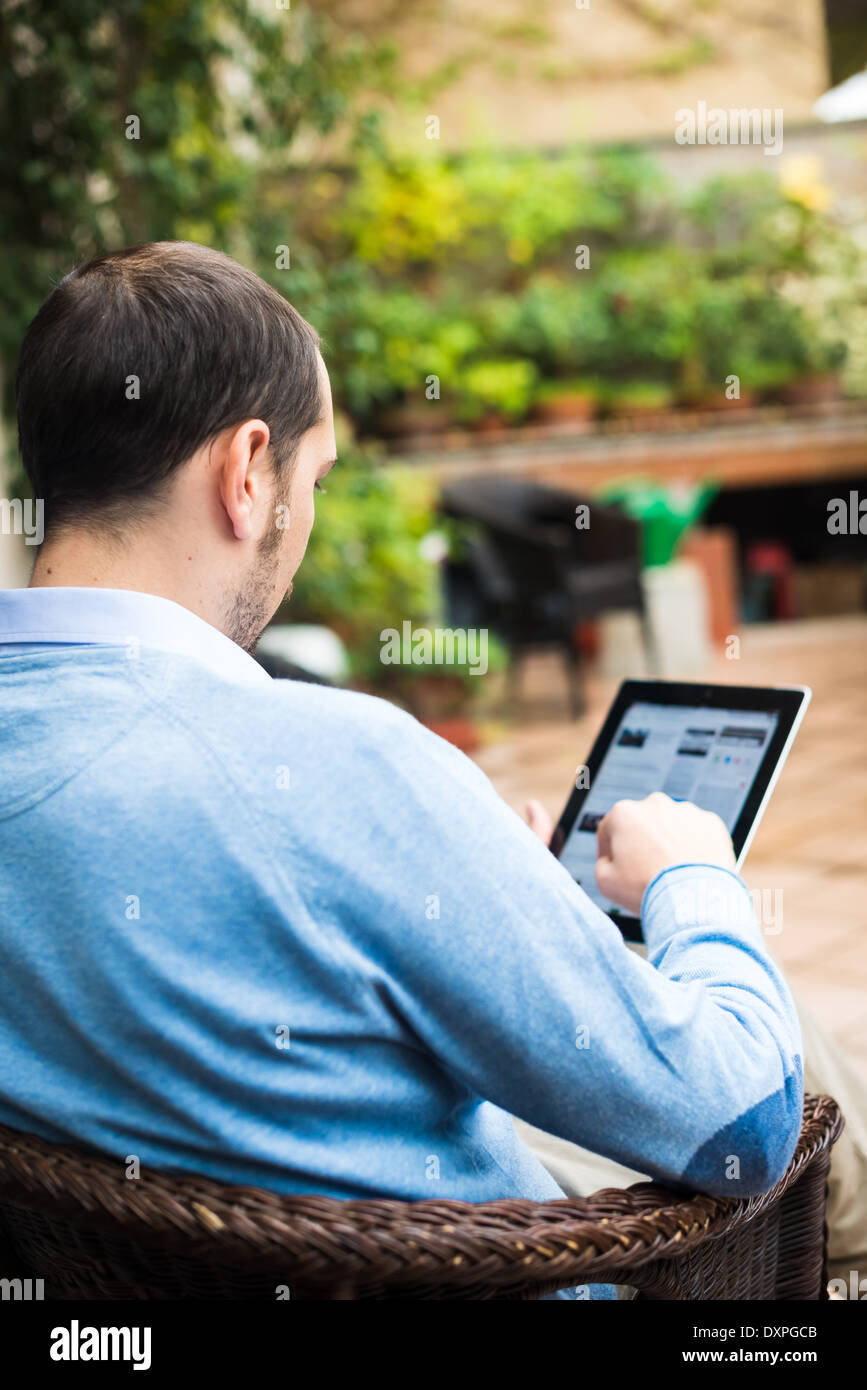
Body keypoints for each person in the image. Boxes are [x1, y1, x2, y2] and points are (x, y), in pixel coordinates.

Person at [0, 242, 851, 1299]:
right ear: (247, 472)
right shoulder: (343, 765)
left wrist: (472, 875)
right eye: (315, 480)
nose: (302, 523)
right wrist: (694, 878)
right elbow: (746, 1129)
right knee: (821, 1104)